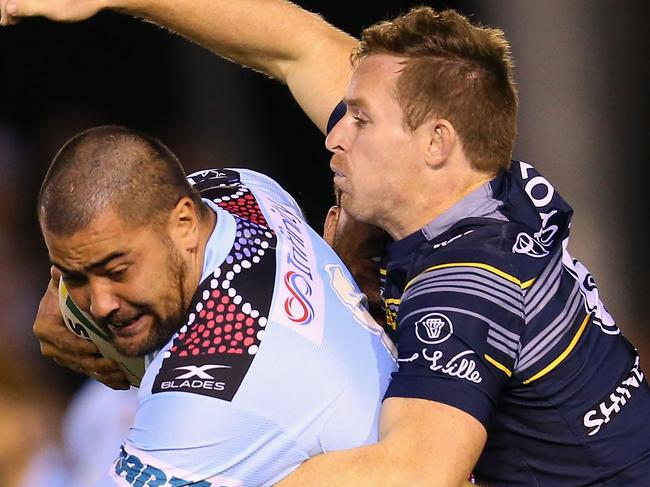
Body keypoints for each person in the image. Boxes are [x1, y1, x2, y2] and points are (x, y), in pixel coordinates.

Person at [4, 1, 650, 485]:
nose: (337, 134)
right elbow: (297, 46)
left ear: (435, 142)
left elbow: (412, 473)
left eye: (362, 120)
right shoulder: (480, 185)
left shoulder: (463, 288)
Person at [37, 124, 397, 485]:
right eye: (77, 276)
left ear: (184, 224)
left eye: (117, 270)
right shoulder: (243, 188)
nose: (100, 305)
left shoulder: (198, 405)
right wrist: (64, 296)